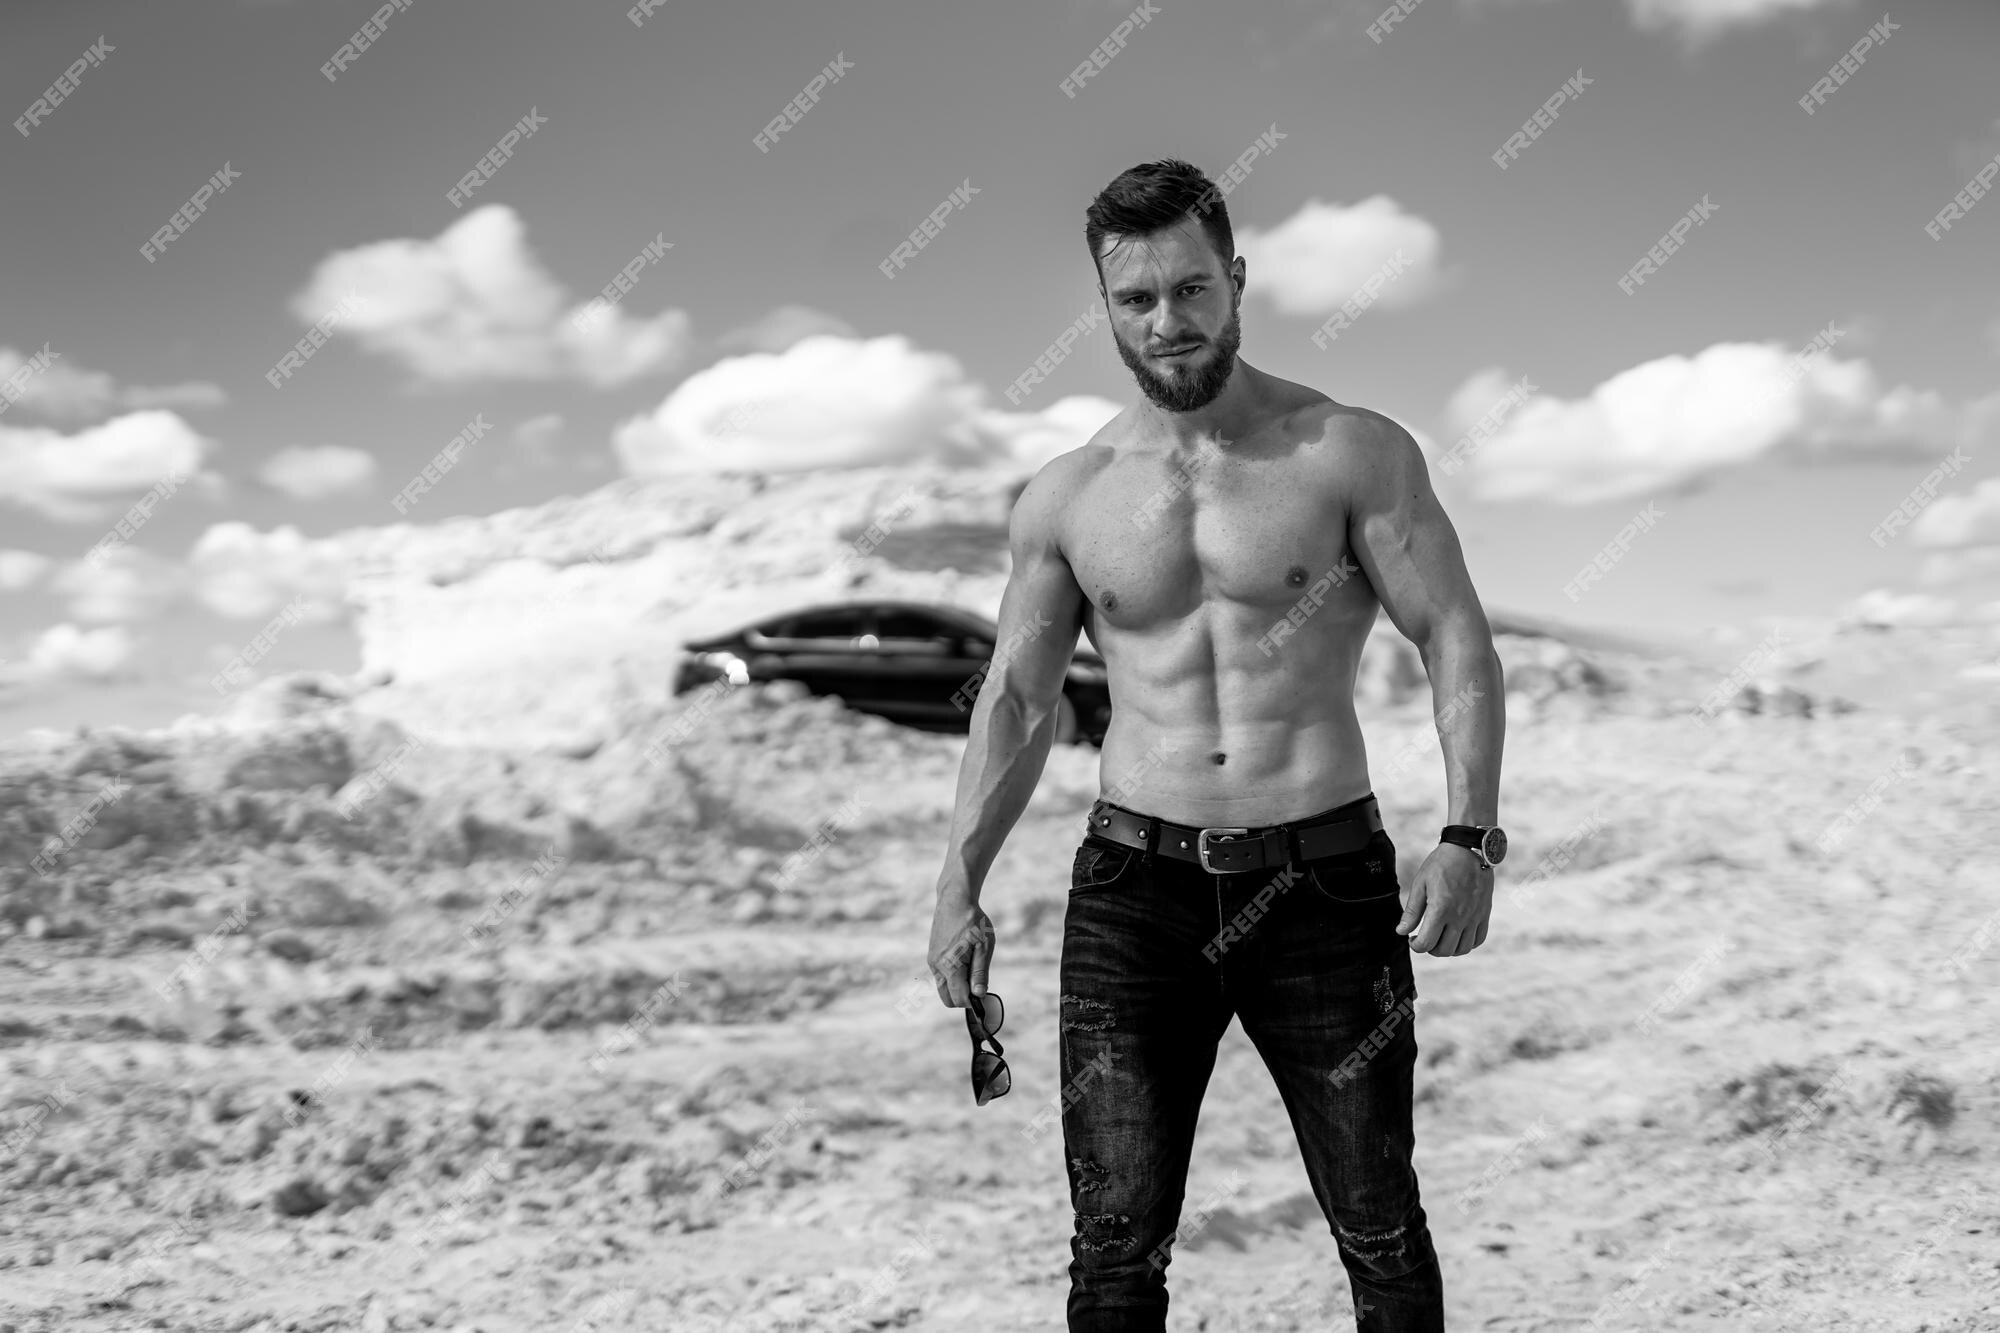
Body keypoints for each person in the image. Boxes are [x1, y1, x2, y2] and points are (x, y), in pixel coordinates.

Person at [927, 157, 1505, 1332]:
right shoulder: (1065, 496)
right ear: (1104, 311)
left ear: (1235, 280)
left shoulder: (1347, 450)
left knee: (1376, 1221)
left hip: (1323, 881)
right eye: (1135, 300)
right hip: (1133, 892)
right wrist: (957, 885)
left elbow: (1453, 635)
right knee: (1114, 1244)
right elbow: (1017, 702)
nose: (1167, 322)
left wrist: (1467, 838)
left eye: (1190, 290)